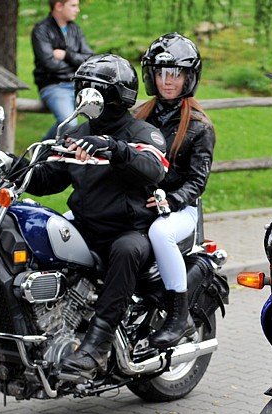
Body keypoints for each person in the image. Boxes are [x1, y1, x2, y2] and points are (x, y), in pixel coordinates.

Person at [23, 54, 168, 378]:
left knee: (126, 250)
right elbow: (49, 179)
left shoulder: (142, 132)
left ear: (116, 95)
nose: (86, 95)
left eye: (94, 89)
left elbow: (154, 168)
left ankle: (97, 348)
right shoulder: (77, 134)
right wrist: (14, 167)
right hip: (86, 227)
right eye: (83, 88)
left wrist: (114, 149)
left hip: (128, 230)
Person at [135, 33, 216, 348]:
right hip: (138, 203)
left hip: (180, 210)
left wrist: (170, 200)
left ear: (188, 78)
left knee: (161, 233)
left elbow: (197, 181)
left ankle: (179, 315)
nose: (167, 81)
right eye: (161, 73)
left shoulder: (199, 126)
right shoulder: (138, 116)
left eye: (176, 74)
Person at [31, 0, 94, 140]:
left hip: (78, 86)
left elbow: (89, 59)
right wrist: (77, 65)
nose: (77, 10)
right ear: (59, 6)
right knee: (69, 124)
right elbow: (50, 64)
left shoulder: (75, 29)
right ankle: (42, 149)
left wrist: (67, 55)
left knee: (100, 120)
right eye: (73, 5)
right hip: (54, 86)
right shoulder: (41, 30)